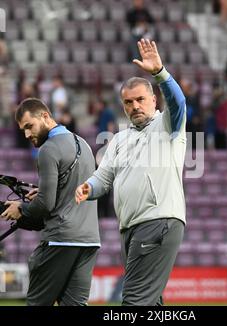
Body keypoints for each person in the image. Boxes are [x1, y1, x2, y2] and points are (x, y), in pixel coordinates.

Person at [75, 39, 186, 306]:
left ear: (153, 100)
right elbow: (103, 178)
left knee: (134, 303)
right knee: (150, 305)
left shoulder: (167, 124)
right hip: (131, 229)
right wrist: (88, 187)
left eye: (140, 100)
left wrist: (160, 72)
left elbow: (179, 102)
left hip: (157, 221)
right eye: (128, 102)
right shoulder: (118, 140)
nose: (134, 106)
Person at [0, 98, 100, 306]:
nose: (27, 134)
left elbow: (45, 205)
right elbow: (75, 190)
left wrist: (21, 208)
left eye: (29, 126)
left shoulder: (48, 149)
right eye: (23, 130)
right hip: (89, 241)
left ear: (45, 116)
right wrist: (45, 192)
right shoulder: (84, 144)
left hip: (60, 239)